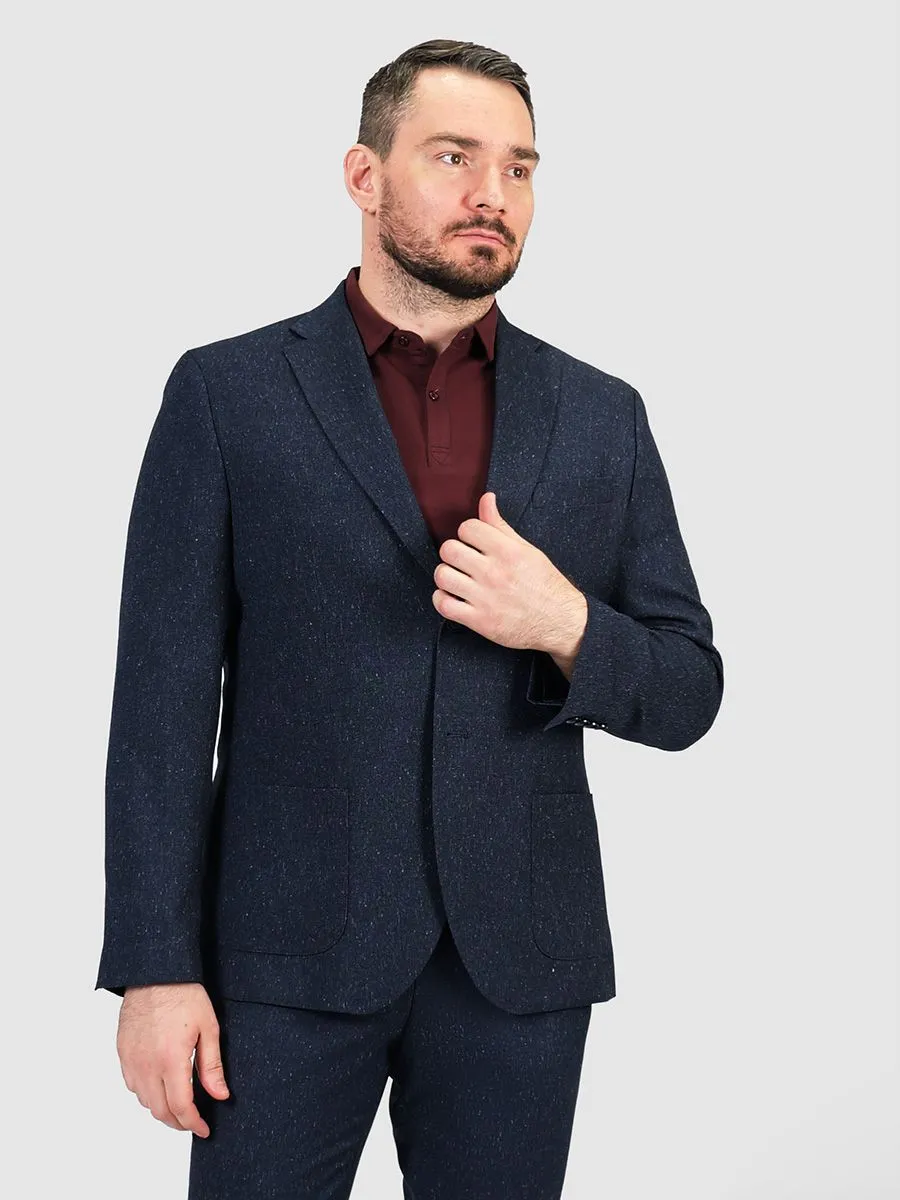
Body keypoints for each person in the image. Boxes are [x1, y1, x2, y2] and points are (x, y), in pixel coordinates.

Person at [95, 38, 724, 1199]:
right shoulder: (228, 396)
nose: (495, 193)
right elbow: (160, 710)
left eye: (521, 167)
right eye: (454, 156)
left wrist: (567, 623)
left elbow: (689, 689)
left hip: (518, 965)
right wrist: (152, 968)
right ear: (363, 175)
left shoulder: (601, 416)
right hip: (282, 960)